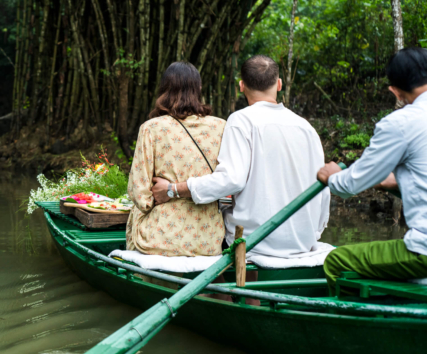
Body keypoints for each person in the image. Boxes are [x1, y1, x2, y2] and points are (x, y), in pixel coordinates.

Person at [151, 55, 329, 258]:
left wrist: (173, 190)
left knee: (213, 228)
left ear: (241, 86)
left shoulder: (241, 120)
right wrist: (314, 233)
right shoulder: (307, 128)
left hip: (256, 241)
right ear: (279, 84)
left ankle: (220, 289)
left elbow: (231, 180)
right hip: (303, 241)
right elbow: (323, 189)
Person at [318, 47, 427, 293]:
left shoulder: (401, 122)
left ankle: (354, 326)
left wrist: (332, 176)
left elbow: (349, 186)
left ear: (395, 91)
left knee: (336, 261)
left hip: (424, 251)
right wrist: (395, 183)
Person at [126, 62, 226, 256]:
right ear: (198, 89)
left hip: (159, 237)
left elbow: (139, 193)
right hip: (208, 238)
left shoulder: (151, 128)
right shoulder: (221, 127)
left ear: (164, 90)